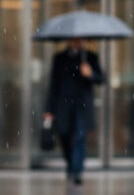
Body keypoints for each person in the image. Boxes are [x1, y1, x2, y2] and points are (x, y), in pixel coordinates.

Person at [43, 38, 104, 185]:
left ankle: (77, 170)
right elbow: (54, 85)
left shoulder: (90, 57)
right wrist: (49, 109)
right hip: (63, 105)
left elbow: (101, 78)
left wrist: (90, 74)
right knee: (64, 135)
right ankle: (71, 164)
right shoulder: (59, 58)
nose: (76, 42)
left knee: (80, 136)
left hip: (82, 106)